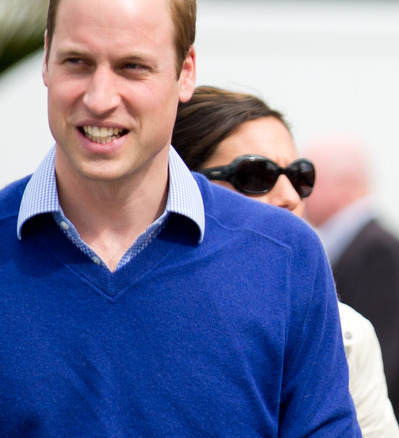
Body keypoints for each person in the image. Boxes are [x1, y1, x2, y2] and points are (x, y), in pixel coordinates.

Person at [0, 0, 358, 436]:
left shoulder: (284, 258)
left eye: (132, 66)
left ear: (185, 71)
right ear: (46, 60)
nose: (99, 98)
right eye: (77, 62)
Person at [172, 85, 399, 438]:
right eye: (256, 176)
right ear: (183, 187)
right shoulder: (141, 311)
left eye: (299, 177)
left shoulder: (347, 335)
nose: (290, 196)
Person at [304, 136, 399, 438]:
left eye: (308, 179)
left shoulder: (378, 254)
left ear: (344, 185)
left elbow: (375, 363)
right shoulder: (368, 247)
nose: (296, 192)